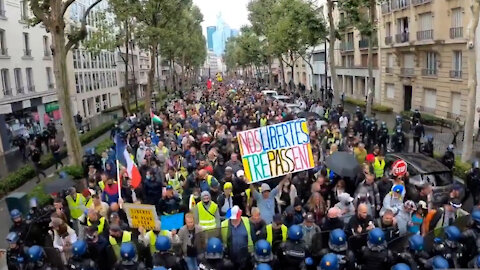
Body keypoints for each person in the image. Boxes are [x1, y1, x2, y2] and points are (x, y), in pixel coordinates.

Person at [221, 205, 254, 270]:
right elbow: (222, 240)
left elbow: (253, 236)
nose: (235, 219)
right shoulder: (224, 224)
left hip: (246, 256)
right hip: (231, 257)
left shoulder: (246, 221)